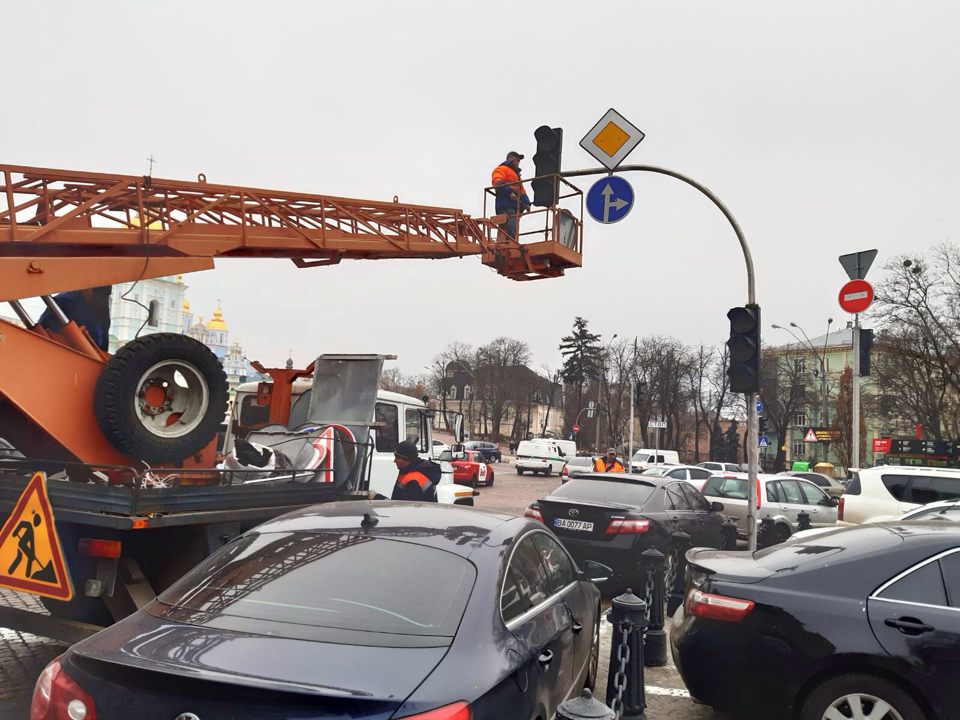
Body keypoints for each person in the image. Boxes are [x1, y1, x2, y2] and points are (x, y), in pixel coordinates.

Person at [38, 286, 112, 351]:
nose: (101, 302)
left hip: (98, 355)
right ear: (87, 289)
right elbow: (43, 330)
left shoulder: (103, 306)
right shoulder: (64, 301)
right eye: (97, 297)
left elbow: (104, 336)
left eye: (105, 297)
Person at [490, 151, 530, 240]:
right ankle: (509, 244)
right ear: (510, 159)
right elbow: (497, 182)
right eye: (517, 159)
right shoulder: (502, 169)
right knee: (511, 224)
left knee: (513, 223)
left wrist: (527, 203)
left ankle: (509, 243)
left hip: (515, 206)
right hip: (505, 205)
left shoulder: (516, 175)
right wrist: (509, 192)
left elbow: (522, 191)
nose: (518, 162)